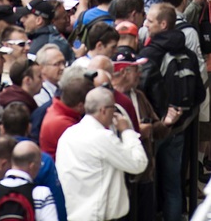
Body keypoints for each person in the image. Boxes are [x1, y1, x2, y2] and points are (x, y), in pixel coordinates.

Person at [55, 86, 147, 221]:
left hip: (74, 214)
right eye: (113, 109)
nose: (115, 113)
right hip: (98, 216)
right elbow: (138, 163)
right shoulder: (102, 137)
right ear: (103, 110)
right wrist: (127, 131)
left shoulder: (68, 135)